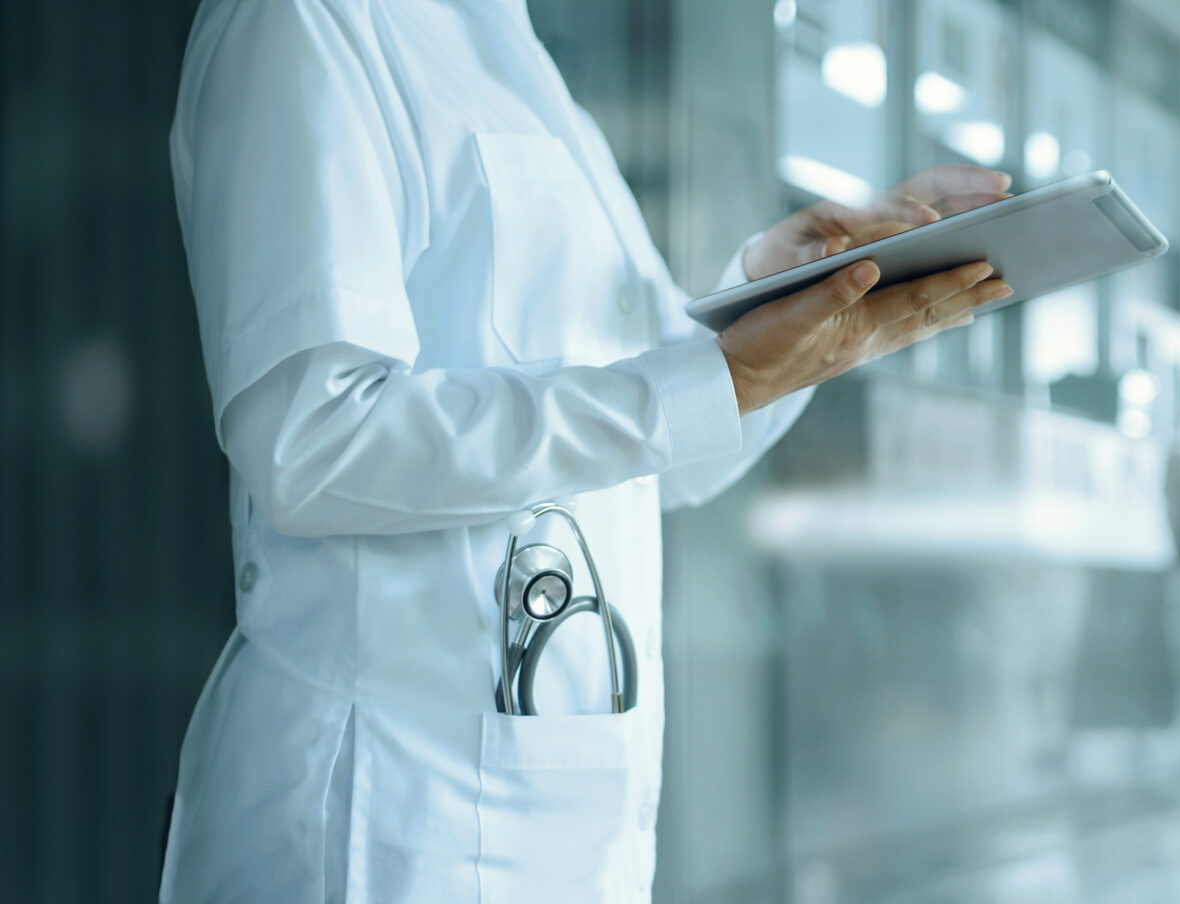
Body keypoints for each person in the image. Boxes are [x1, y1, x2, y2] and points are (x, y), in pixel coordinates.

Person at [158, 2, 1012, 901]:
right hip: (389, 825)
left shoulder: (518, 58)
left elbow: (664, 456)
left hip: (562, 839)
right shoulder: (307, 22)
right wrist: (709, 382)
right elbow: (311, 442)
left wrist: (783, 311)